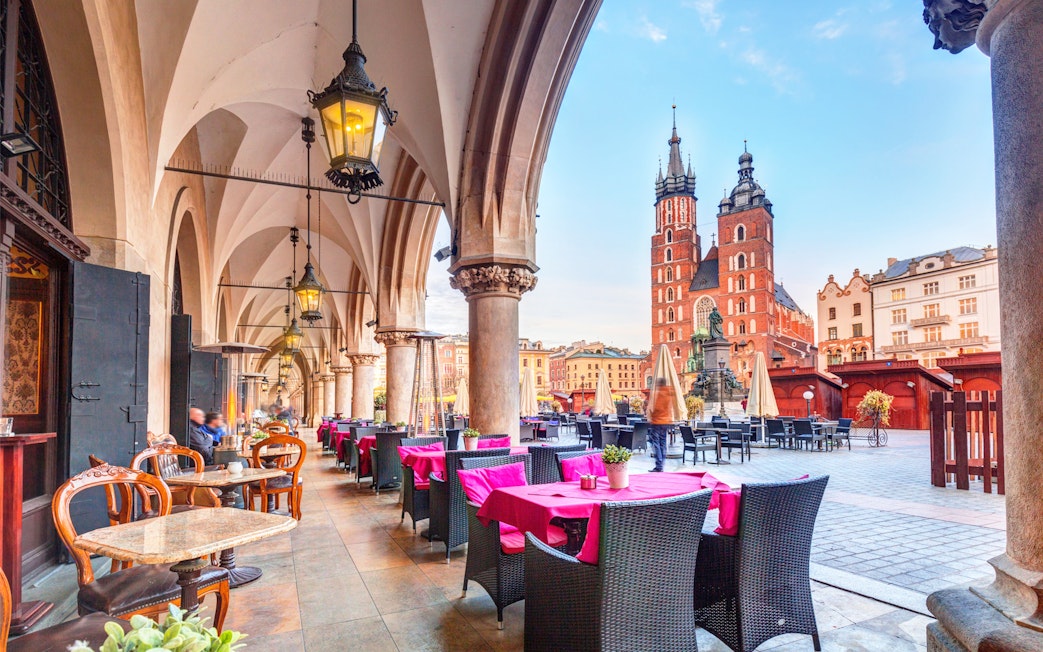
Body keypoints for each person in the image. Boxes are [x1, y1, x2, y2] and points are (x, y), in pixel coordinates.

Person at [647, 378, 676, 472]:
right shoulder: (669, 393)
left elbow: (658, 408)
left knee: (656, 443)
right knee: (663, 442)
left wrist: (652, 414)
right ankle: (662, 463)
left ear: (659, 384)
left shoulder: (660, 394)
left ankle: (659, 465)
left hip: (657, 421)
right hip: (666, 421)